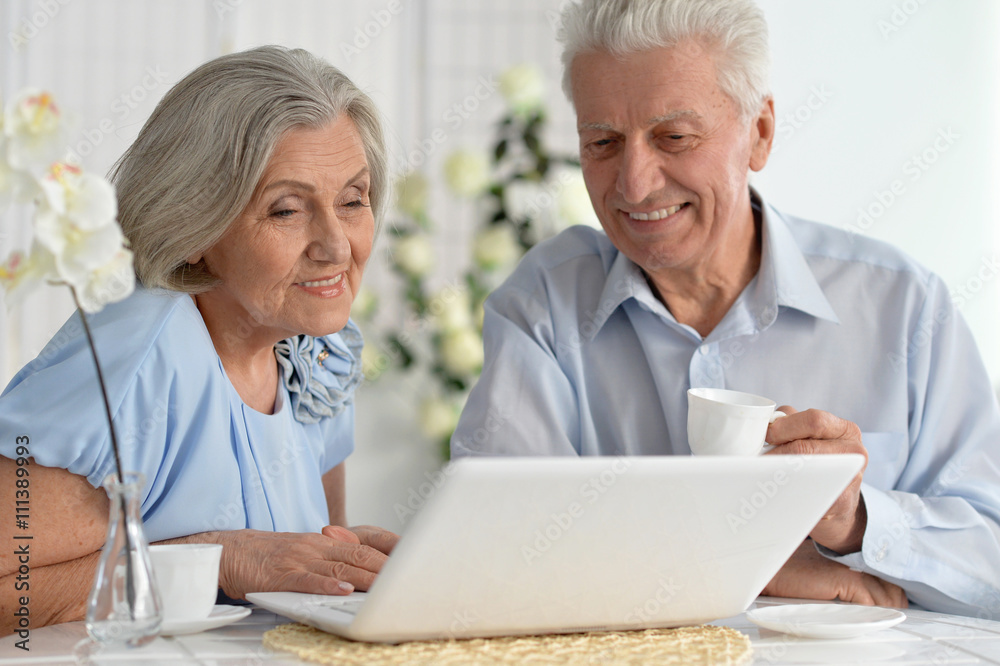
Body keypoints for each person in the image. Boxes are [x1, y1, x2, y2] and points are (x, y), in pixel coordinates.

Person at [452, 0, 1000, 617]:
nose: (633, 184)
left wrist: (857, 522)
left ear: (759, 133)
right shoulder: (545, 304)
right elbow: (493, 546)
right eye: (602, 142)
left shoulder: (904, 307)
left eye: (675, 137)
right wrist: (755, 569)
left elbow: (992, 564)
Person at [0, 45, 398, 636]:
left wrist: (345, 565)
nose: (337, 246)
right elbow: (14, 591)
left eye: (352, 200)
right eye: (287, 210)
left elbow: (304, 582)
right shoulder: (135, 358)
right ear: (195, 226)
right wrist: (222, 559)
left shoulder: (320, 345)